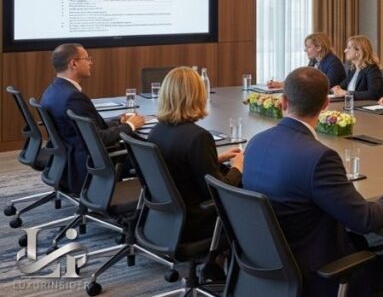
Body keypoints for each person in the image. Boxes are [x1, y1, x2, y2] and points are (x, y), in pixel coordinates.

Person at [243, 67, 383, 297]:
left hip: (266, 263)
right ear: (325, 105)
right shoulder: (319, 158)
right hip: (313, 274)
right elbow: (364, 220)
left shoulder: (255, 143)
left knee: (358, 244)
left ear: (283, 102)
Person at [146, 67, 243, 242]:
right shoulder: (198, 138)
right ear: (197, 96)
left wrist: (215, 159)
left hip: (165, 219)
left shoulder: (156, 131)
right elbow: (217, 191)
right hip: (195, 221)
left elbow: (178, 163)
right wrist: (238, 167)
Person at [40, 43, 144, 194]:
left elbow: (87, 128)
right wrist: (130, 126)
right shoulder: (73, 98)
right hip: (89, 163)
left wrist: (117, 121)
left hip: (70, 159)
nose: (90, 62)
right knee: (153, 154)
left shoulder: (53, 90)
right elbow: (99, 138)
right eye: (87, 58)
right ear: (74, 63)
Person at [267, 33, 344, 90]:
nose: (305, 50)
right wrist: (282, 84)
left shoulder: (333, 63)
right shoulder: (314, 61)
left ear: (319, 47)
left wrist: (288, 85)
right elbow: (305, 79)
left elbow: (325, 87)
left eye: (308, 47)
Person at [332, 35, 383, 101]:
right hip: (353, 105)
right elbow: (343, 85)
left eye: (349, 48)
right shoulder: (353, 69)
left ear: (358, 51)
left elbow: (373, 94)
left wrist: (346, 93)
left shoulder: (372, 70)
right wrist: (337, 88)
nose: (345, 51)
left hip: (367, 108)